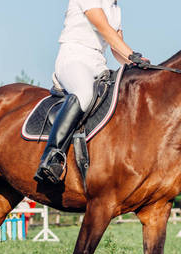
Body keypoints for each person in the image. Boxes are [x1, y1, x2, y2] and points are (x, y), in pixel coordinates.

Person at [34, 0, 150, 184]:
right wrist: (131, 55)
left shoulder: (115, 8)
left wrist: (137, 66)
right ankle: (52, 156)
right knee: (84, 93)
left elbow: (116, 46)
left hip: (98, 63)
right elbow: (102, 26)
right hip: (73, 58)